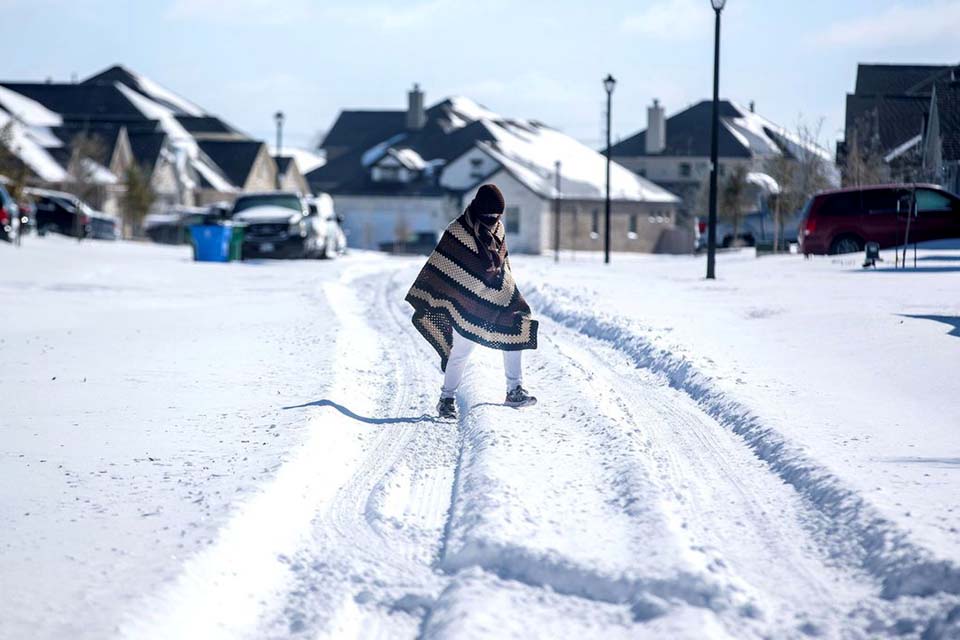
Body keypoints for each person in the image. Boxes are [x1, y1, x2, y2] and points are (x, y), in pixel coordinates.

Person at [405, 184, 538, 419]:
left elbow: (503, 265)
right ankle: (446, 399)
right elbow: (444, 265)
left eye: (497, 215)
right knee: (461, 352)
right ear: (479, 210)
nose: (493, 219)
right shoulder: (458, 230)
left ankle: (514, 390)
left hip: (497, 298)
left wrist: (506, 290)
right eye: (489, 214)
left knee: (516, 329)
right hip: (465, 302)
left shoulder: (499, 228)